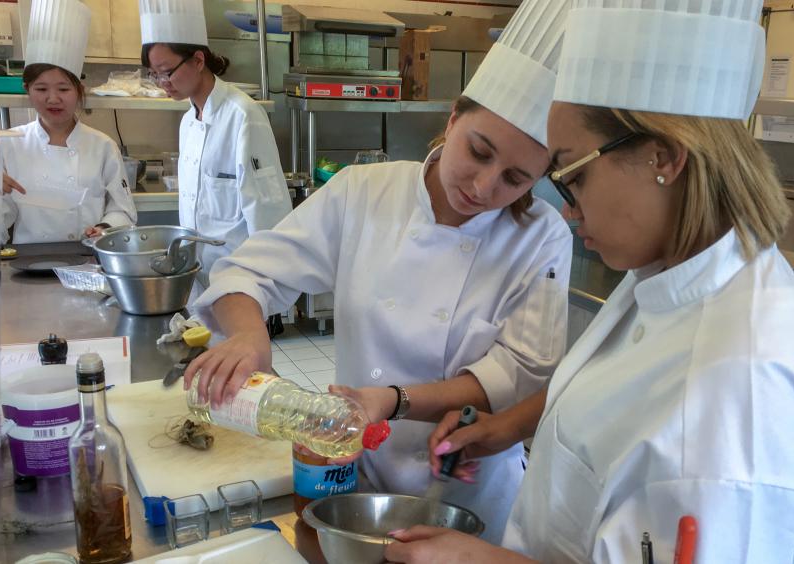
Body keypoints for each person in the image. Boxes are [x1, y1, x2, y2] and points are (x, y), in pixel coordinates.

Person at [384, 1, 794, 562]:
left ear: (663, 158)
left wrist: (474, 559)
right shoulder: (666, 271)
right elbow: (620, 394)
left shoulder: (741, 401)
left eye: (570, 175)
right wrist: (506, 427)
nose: (567, 212)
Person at [183, 0, 574, 543]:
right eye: (478, 152)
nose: (484, 188)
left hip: (467, 495)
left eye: (515, 178)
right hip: (355, 481)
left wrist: (391, 400)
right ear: (453, 119)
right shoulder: (364, 192)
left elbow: (522, 374)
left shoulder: (542, 235)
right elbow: (249, 272)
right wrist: (249, 336)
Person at [139, 0, 291, 286]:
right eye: (154, 74)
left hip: (239, 276)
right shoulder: (188, 121)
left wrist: (266, 287)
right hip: (196, 274)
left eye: (166, 71)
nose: (162, 82)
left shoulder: (243, 115)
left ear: (198, 60)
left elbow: (267, 210)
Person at [0, 0, 136, 245]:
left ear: (78, 90)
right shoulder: (10, 143)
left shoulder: (102, 146)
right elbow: (0, 221)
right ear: (27, 90)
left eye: (63, 88)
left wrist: (105, 227)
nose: (53, 99)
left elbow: (122, 210)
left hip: (87, 260)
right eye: (41, 88)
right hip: (26, 264)